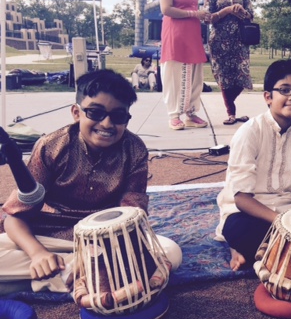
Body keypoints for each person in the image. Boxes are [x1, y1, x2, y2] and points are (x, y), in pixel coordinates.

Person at [0, 70, 182, 294]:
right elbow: (13, 218)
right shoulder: (51, 147)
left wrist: (98, 251)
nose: (106, 124)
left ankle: (61, 277)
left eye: (118, 117)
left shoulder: (134, 150)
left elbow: (133, 216)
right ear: (77, 113)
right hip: (48, 238)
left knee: (170, 251)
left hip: (107, 242)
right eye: (95, 113)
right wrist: (37, 253)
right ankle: (80, 276)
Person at [215, 60, 291, 271]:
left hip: (290, 212)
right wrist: (284, 225)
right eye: (285, 90)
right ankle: (239, 246)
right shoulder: (250, 132)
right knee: (237, 230)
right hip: (249, 214)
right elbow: (241, 198)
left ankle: (270, 253)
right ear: (268, 97)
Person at [159, 0, 209, 130]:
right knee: (175, 74)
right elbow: (166, 9)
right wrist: (194, 13)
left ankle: (191, 113)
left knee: (195, 74)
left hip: (192, 35)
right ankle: (174, 115)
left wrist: (200, 15)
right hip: (176, 34)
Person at [204, 0, 254, 125]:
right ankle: (231, 113)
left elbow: (251, 15)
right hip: (219, 40)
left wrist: (243, 12)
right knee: (224, 77)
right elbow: (207, 17)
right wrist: (226, 11)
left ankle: (230, 105)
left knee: (243, 76)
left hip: (240, 40)